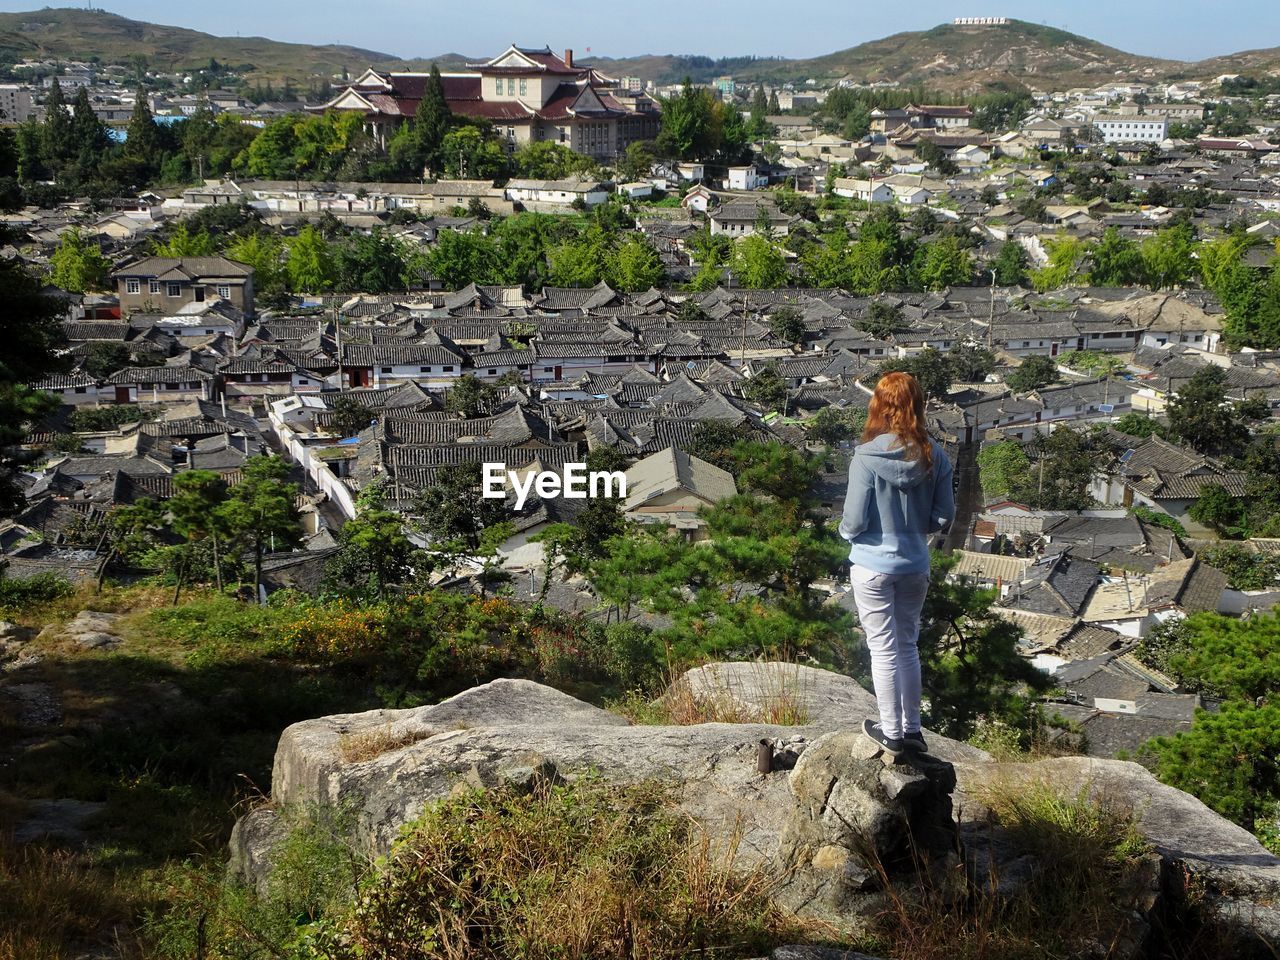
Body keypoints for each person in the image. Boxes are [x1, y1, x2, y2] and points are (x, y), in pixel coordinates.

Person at [838, 371, 955, 757]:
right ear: (917, 405)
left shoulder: (866, 457)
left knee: (882, 648)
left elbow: (854, 520)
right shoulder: (935, 455)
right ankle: (913, 730)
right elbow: (944, 517)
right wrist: (913, 529)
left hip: (872, 564)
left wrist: (849, 535)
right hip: (914, 564)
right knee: (907, 646)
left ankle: (890, 733)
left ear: (879, 406)